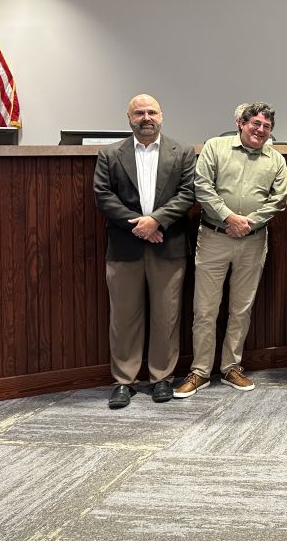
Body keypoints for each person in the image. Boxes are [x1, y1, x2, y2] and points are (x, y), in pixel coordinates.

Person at [174, 102, 287, 398]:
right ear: (240, 122)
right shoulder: (215, 147)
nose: (260, 130)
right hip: (214, 236)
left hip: (253, 241)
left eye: (266, 126)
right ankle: (199, 371)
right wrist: (228, 217)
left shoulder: (275, 159)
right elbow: (202, 186)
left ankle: (231, 367)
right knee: (205, 309)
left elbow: (279, 199)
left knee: (241, 308)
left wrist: (247, 224)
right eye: (255, 124)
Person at [93, 94, 196, 409]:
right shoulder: (110, 154)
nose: (146, 117)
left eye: (151, 111)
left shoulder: (183, 152)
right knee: (124, 317)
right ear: (129, 117)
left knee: (167, 315)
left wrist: (156, 221)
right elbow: (103, 195)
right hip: (125, 247)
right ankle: (124, 381)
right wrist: (139, 226)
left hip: (169, 245)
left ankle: (162, 377)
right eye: (139, 113)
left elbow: (188, 193)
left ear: (161, 116)